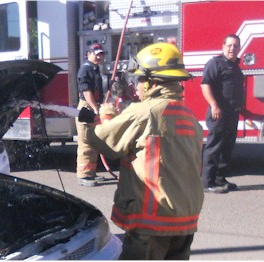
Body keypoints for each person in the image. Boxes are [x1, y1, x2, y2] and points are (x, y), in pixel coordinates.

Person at [78, 43, 204, 259]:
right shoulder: (188, 116)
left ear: (152, 82)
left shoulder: (145, 112)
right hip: (185, 218)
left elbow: (104, 142)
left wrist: (96, 119)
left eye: (139, 80)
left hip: (153, 219)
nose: (137, 85)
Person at [200, 34, 245, 194]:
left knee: (227, 146)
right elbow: (205, 85)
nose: (232, 48)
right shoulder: (215, 63)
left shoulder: (235, 66)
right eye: (230, 45)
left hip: (232, 113)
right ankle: (207, 182)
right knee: (214, 147)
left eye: (236, 46)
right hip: (218, 112)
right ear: (223, 46)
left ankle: (220, 178)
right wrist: (214, 105)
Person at [75, 43, 107, 187]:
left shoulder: (95, 69)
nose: (99, 57)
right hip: (87, 108)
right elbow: (86, 91)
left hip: (93, 107)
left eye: (101, 54)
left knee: (93, 142)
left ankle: (91, 173)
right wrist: (95, 108)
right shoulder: (85, 69)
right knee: (86, 142)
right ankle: (84, 176)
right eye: (96, 54)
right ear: (89, 54)